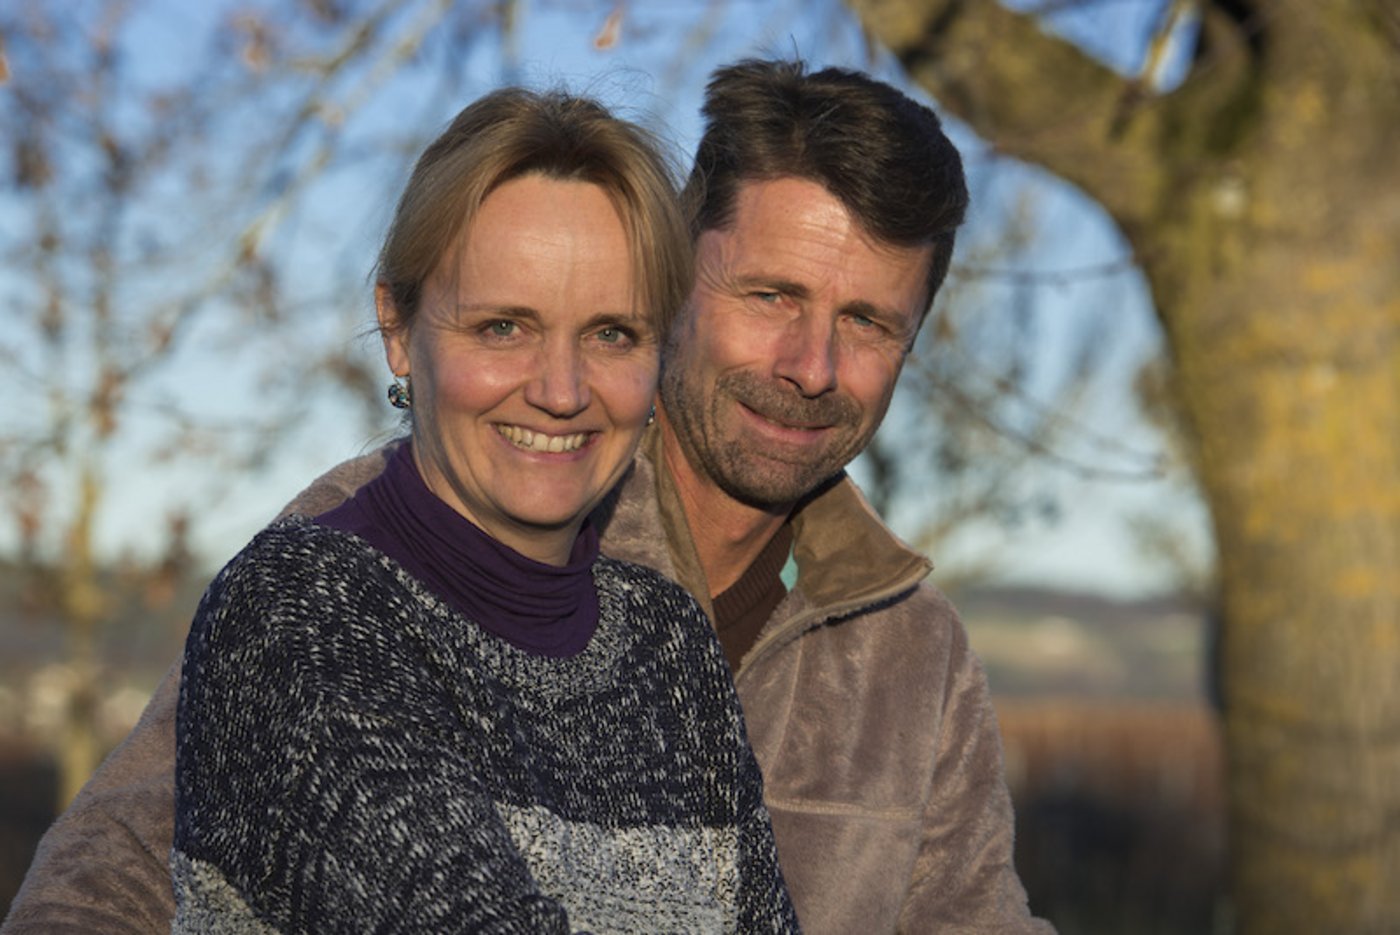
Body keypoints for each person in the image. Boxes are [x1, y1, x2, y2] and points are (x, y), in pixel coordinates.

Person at [3, 60, 1050, 934]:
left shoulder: (911, 653)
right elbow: (121, 869)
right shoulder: (393, 532)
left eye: (867, 322)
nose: (812, 363)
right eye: (772, 296)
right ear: (674, 286)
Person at [172, 87, 797, 933]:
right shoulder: (301, 613)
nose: (562, 390)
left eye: (613, 333)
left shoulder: (669, 647)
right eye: (505, 326)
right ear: (398, 326)